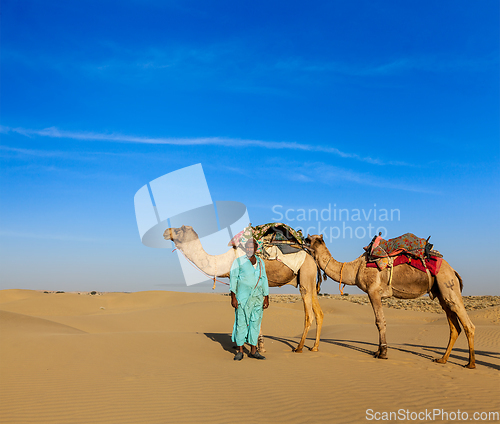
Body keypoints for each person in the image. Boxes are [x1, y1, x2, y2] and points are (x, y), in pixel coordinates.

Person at [230, 238, 269, 361]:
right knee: (241, 323)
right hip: (242, 298)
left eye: (251, 247)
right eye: (247, 247)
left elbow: (264, 279)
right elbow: (233, 279)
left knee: (255, 323)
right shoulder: (238, 262)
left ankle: (253, 350)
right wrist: (233, 297)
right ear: (245, 248)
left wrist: (266, 297)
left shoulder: (261, 262)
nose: (249, 249)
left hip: (257, 299)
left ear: (256, 249)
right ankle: (240, 351)